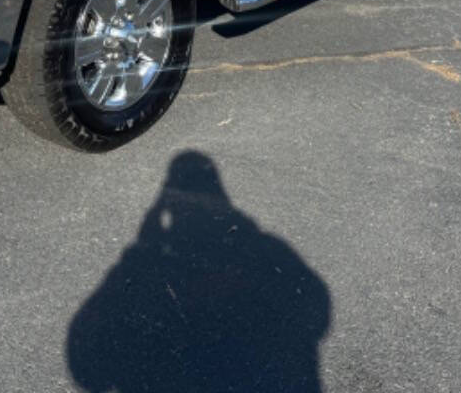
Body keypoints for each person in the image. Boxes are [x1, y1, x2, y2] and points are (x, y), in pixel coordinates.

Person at [66, 150, 331, 393]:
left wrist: (138, 253)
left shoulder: (147, 264)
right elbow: (316, 305)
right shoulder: (268, 247)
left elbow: (87, 366)